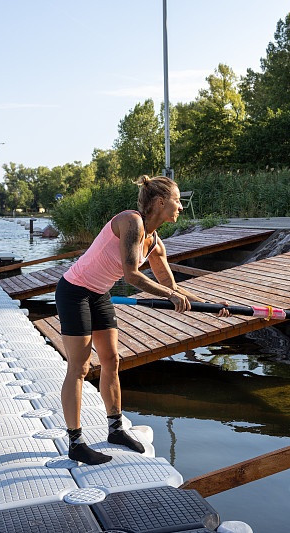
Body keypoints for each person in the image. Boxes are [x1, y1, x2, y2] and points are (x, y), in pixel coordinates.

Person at [55, 175, 230, 465]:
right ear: (160, 202)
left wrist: (210, 306)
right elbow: (131, 275)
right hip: (74, 292)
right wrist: (169, 295)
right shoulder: (131, 222)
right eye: (177, 201)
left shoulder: (156, 243)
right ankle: (76, 442)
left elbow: (170, 286)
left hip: (99, 293)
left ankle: (115, 430)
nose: (181, 207)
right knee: (80, 367)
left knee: (111, 360)